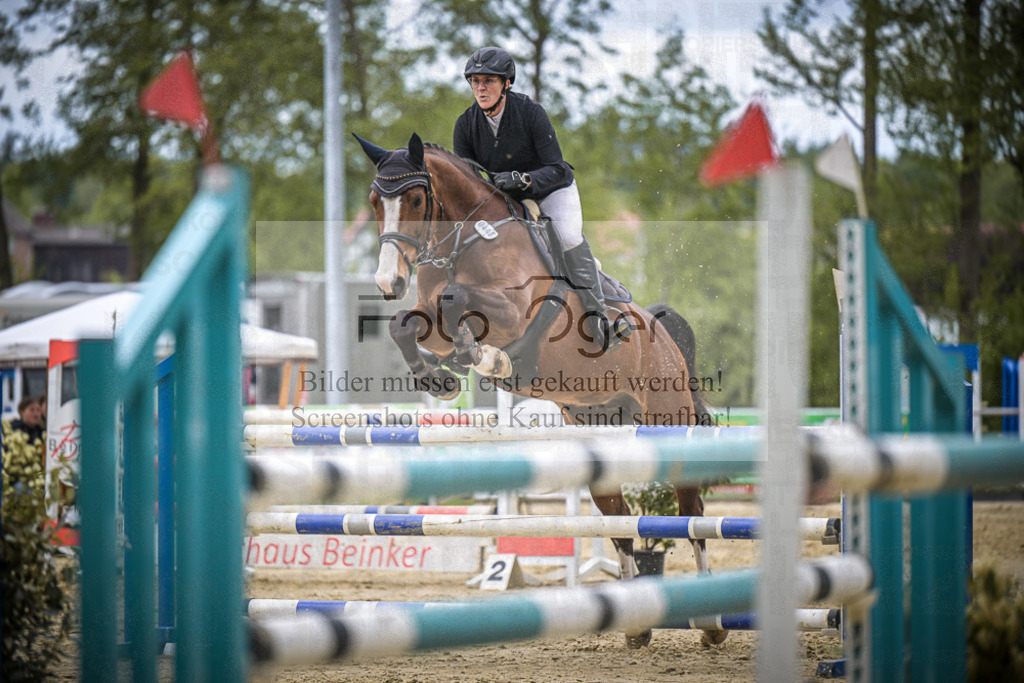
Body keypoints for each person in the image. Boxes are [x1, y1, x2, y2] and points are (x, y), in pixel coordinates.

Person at [453, 46, 631, 352]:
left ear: (506, 83)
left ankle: (599, 320)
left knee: (567, 235)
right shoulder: (466, 125)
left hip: (550, 190)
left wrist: (525, 179)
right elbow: (468, 183)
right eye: (475, 81)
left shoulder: (530, 112)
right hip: (504, 201)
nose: (480, 88)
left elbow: (556, 166)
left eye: (488, 81)